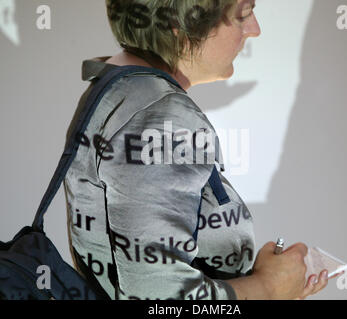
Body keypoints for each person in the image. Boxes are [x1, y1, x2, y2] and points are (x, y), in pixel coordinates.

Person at [63, 0, 332, 300]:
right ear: (181, 25)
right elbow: (163, 302)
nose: (254, 29)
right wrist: (269, 288)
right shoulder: (160, 114)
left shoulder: (117, 89)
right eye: (242, 14)